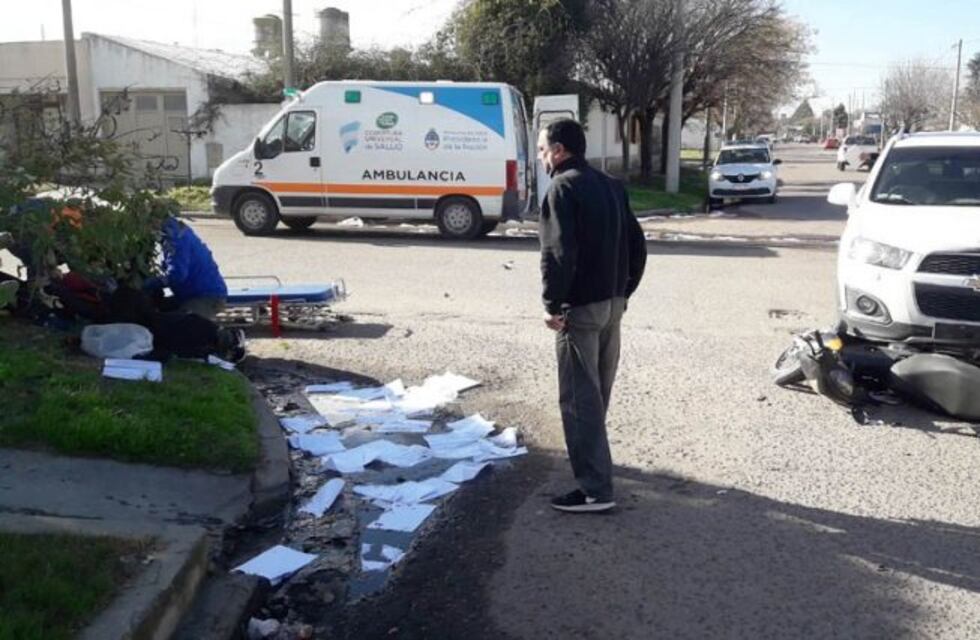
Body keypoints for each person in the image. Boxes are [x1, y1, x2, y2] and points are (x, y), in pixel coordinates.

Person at [537, 119, 647, 513]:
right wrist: (624, 291)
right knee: (597, 395)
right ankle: (597, 469)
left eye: (543, 149)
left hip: (580, 310)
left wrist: (553, 305)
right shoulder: (611, 185)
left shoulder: (562, 187)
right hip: (613, 305)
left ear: (561, 150)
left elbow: (558, 254)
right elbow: (637, 246)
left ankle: (595, 489)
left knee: (580, 398)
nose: (541, 156)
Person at [144, 217, 228, 320]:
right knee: (152, 312)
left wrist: (148, 283)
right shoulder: (175, 231)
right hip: (188, 294)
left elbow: (177, 274)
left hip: (205, 296)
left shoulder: (175, 239)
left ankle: (227, 336)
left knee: (183, 326)